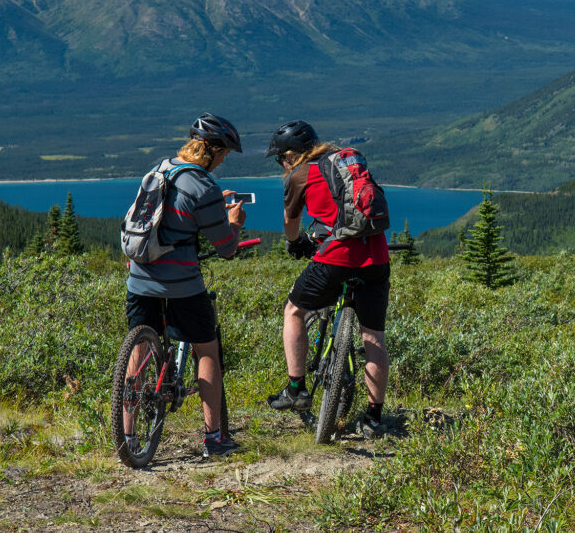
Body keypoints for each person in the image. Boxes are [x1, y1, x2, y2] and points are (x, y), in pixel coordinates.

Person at [124, 113, 246, 458]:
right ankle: (214, 438)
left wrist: (213, 204)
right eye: (223, 155)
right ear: (213, 150)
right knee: (206, 350)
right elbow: (226, 248)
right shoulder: (204, 186)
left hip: (139, 279)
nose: (222, 162)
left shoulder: (159, 170)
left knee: (138, 349)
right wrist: (234, 222)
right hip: (182, 285)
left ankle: (129, 438)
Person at [265, 120, 391, 438]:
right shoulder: (347, 165)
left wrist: (295, 242)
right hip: (376, 258)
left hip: (336, 257)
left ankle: (296, 389)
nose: (283, 165)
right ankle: (373, 418)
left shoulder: (300, 174)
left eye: (281, 159)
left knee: (294, 310)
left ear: (291, 155)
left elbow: (291, 221)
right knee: (373, 338)